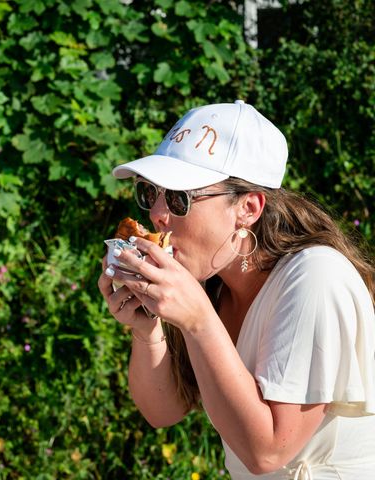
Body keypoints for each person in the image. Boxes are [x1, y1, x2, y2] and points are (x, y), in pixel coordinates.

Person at [98, 100, 375, 479]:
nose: (158, 214)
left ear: (248, 208)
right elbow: (164, 411)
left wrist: (198, 320)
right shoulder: (211, 284)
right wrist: (146, 331)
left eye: (180, 198)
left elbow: (267, 452)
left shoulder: (314, 278)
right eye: (150, 193)